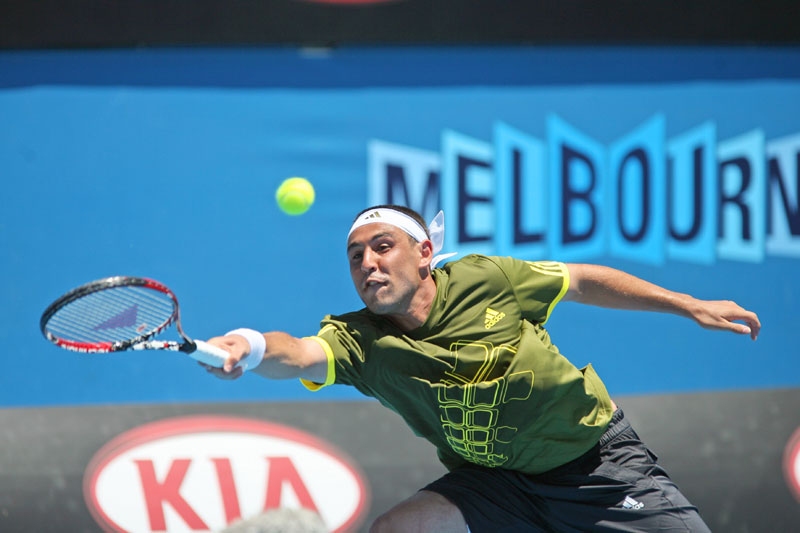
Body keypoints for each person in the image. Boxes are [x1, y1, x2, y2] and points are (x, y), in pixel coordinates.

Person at [206, 204, 761, 533]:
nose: (368, 263)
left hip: (595, 466)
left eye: (382, 247)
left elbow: (582, 281)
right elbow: (298, 353)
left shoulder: (486, 279)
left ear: (425, 253)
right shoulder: (360, 341)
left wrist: (688, 304)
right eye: (356, 257)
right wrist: (249, 346)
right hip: (496, 484)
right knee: (397, 528)